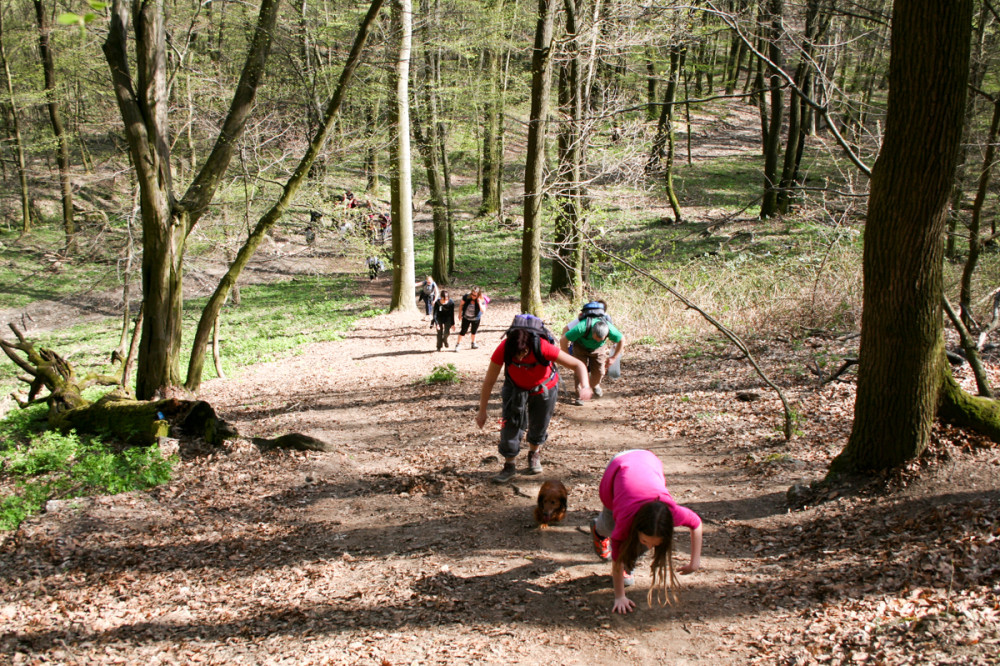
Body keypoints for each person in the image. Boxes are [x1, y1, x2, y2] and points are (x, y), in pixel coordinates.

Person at [475, 315, 593, 482]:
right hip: (515, 387)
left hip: (545, 387)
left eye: (523, 354)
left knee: (539, 423)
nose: (520, 359)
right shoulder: (503, 348)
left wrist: (586, 385)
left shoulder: (543, 347)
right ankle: (509, 465)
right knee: (510, 425)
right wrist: (482, 411)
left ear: (528, 347)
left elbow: (578, 365)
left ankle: (534, 454)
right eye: (516, 356)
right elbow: (489, 381)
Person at [590, 449, 703, 615]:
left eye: (655, 544)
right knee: (609, 527)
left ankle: (630, 563)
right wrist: (619, 596)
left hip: (648, 462)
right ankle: (597, 531)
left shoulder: (672, 514)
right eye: (646, 541)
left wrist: (695, 562)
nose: (650, 547)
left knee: (639, 542)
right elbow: (616, 559)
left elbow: (696, 524)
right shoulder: (625, 521)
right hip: (619, 468)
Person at [560, 303, 624, 404]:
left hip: (599, 349)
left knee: (600, 371)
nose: (598, 340)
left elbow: (621, 340)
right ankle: (580, 395)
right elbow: (563, 340)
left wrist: (614, 357)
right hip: (580, 347)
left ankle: (594, 385)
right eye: (596, 338)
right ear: (592, 332)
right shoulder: (582, 327)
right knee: (579, 370)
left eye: (601, 339)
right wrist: (567, 356)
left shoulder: (610, 329)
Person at [455, 286, 488, 351]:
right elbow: (461, 305)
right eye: (472, 294)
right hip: (466, 317)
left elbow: (483, 310)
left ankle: (473, 343)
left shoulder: (481, 299)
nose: (473, 296)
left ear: (478, 295)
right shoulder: (466, 297)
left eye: (475, 295)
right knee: (463, 331)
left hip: (476, 318)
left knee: (474, 331)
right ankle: (458, 344)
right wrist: (459, 314)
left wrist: (479, 303)